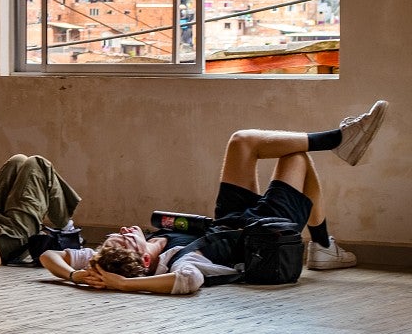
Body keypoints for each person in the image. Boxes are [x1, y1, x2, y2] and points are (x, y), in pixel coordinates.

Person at [41, 100, 388, 295]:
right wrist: (125, 284)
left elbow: (49, 254)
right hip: (260, 233)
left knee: (241, 141)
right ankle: (324, 241)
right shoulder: (182, 265)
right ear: (143, 263)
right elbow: (185, 283)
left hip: (229, 218)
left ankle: (336, 150)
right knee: (295, 157)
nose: (127, 230)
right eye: (129, 240)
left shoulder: (124, 252)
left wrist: (73, 275)